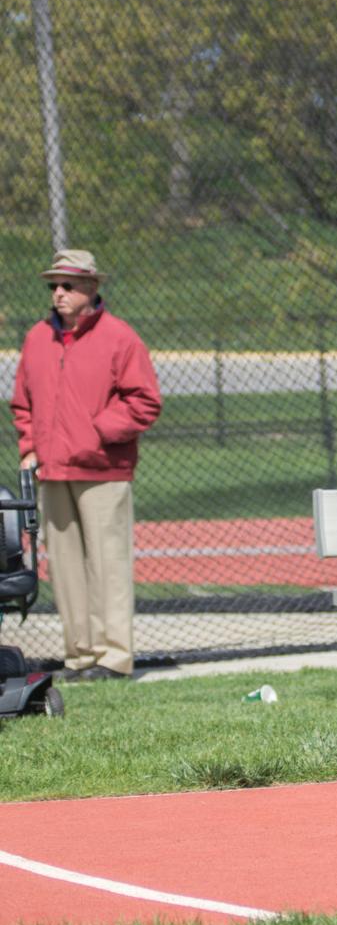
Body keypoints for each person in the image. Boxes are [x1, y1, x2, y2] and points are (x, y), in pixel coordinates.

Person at [10, 250, 162, 681]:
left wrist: (97, 432)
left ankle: (114, 658)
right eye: (53, 286)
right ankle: (79, 657)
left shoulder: (120, 337)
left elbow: (145, 401)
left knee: (108, 564)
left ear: (92, 288)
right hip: (52, 472)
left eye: (68, 286)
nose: (58, 293)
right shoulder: (38, 337)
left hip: (102, 472)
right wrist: (30, 445)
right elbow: (23, 402)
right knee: (65, 568)